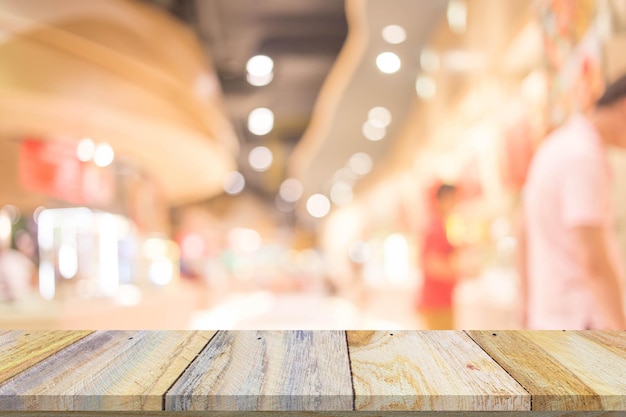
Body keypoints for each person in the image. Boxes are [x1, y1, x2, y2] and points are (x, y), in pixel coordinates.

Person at [519, 73, 626, 330]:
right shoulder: (582, 158)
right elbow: (593, 262)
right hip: (581, 323)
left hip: (553, 318)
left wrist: (526, 302)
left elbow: (521, 230)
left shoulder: (556, 145)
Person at [416, 183, 459, 329]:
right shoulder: (435, 228)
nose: (455, 203)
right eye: (452, 198)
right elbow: (432, 265)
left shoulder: (441, 226)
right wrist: (462, 271)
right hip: (436, 304)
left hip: (441, 302)